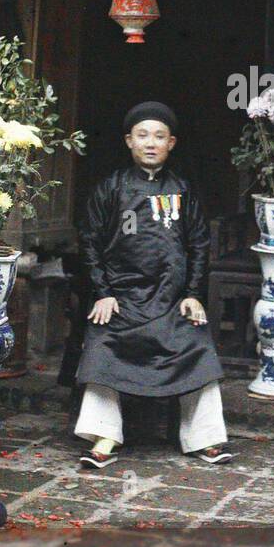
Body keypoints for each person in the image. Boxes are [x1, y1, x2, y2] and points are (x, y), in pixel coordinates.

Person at [73, 101, 234, 468]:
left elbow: (198, 244)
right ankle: (104, 435)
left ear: (171, 143)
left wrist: (192, 295)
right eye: (142, 135)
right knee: (102, 340)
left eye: (159, 136)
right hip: (122, 298)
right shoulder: (110, 189)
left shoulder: (182, 190)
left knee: (196, 341)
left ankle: (205, 438)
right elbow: (90, 242)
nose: (150, 143)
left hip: (170, 298)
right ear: (129, 141)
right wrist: (104, 293)